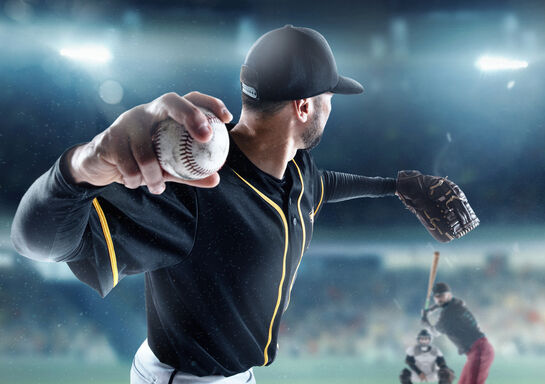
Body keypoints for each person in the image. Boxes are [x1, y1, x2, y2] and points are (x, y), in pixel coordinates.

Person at [11, 25, 473, 384]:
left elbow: (320, 188)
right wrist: (82, 165)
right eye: (329, 97)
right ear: (305, 108)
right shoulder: (193, 190)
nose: (332, 106)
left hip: (236, 374)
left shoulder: (297, 169)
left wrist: (393, 186)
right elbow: (37, 243)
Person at [421, 282, 494, 384]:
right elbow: (443, 303)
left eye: (441, 295)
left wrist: (425, 321)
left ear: (449, 295)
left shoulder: (447, 315)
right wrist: (432, 309)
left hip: (480, 350)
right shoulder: (457, 304)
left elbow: (435, 332)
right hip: (476, 351)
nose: (438, 299)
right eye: (436, 297)